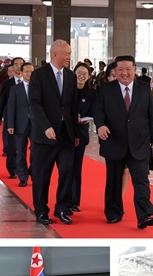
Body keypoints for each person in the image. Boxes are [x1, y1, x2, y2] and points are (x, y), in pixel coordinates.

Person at [94, 55, 153, 228]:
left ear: (134, 70)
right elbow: (98, 111)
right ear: (115, 71)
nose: (124, 73)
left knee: (141, 181)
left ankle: (145, 215)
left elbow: (152, 114)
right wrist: (100, 125)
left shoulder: (144, 88)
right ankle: (113, 213)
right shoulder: (105, 89)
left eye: (128, 69)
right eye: (120, 69)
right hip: (114, 142)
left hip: (139, 142)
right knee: (114, 181)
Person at [28, 40, 78, 226]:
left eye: (70, 53)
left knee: (66, 171)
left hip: (66, 135)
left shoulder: (71, 77)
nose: (69, 57)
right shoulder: (39, 75)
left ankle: (62, 208)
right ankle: (41, 211)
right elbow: (34, 103)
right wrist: (45, 126)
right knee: (42, 175)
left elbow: (71, 106)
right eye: (66, 54)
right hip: (44, 136)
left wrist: (76, 133)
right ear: (55, 54)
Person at [71, 62, 96, 210]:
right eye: (78, 73)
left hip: (80, 134)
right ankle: (64, 200)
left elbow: (94, 113)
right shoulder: (67, 90)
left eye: (84, 74)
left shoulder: (92, 93)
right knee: (66, 167)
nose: (81, 76)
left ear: (88, 77)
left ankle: (74, 201)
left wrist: (83, 119)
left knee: (76, 167)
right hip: (66, 134)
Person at [6, 62, 35, 187]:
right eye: (27, 71)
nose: (29, 74)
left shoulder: (38, 88)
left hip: (36, 124)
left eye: (31, 71)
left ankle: (33, 173)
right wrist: (10, 125)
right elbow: (11, 108)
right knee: (20, 152)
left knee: (35, 151)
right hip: (20, 124)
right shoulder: (15, 89)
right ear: (22, 73)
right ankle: (22, 177)